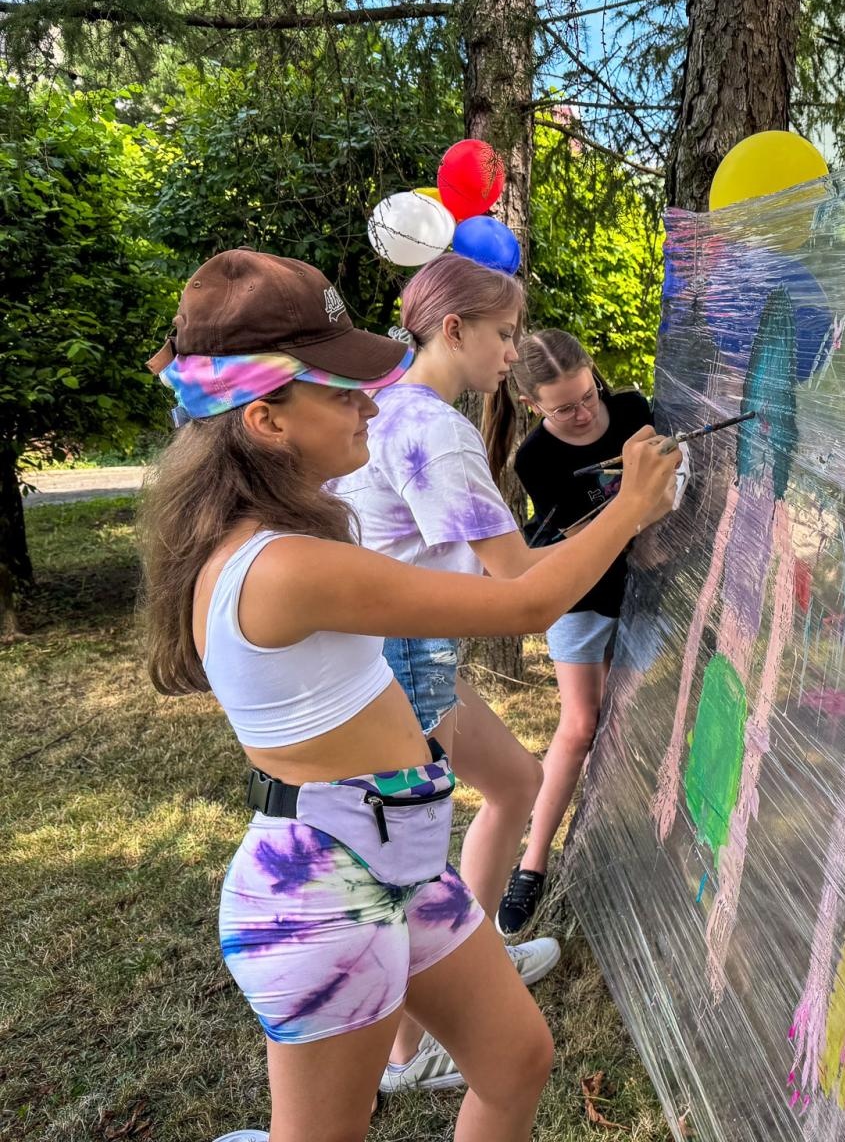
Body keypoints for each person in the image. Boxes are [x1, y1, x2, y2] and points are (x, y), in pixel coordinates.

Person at [139, 249, 678, 1142]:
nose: (370, 405)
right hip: (323, 896)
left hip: (396, 859)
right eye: (342, 394)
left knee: (516, 1061)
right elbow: (523, 602)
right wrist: (630, 507)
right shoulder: (285, 566)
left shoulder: (280, 536)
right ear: (267, 421)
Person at [325, 254, 614, 1088]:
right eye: (504, 333)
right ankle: (407, 1055)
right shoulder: (433, 426)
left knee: (518, 782)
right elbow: (519, 582)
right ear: (454, 330)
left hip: (402, 646)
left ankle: (476, 951)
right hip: (407, 657)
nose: (512, 351)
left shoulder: (384, 401)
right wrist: (625, 515)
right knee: (412, 874)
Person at [493, 329, 655, 935]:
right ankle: (532, 864)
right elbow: (579, 541)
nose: (584, 413)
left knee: (627, 715)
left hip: (646, 589)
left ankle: (618, 835)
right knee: (581, 724)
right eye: (564, 409)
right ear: (532, 404)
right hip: (581, 596)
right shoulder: (535, 458)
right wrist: (636, 517)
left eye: (588, 396)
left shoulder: (634, 409)